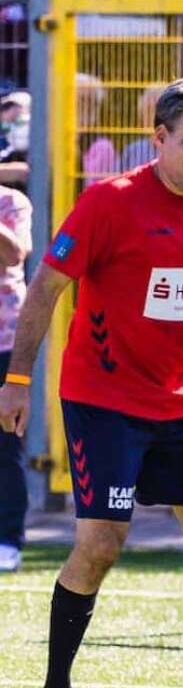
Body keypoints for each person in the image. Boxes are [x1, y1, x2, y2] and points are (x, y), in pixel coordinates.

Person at [0, 79, 183, 688]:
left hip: (179, 399)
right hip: (103, 400)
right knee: (100, 543)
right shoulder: (108, 203)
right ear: (159, 139)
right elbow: (46, 287)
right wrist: (18, 379)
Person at [0, 178, 28, 571]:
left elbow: (15, 253)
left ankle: (8, 541)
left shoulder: (12, 202)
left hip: (6, 345)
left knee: (7, 445)